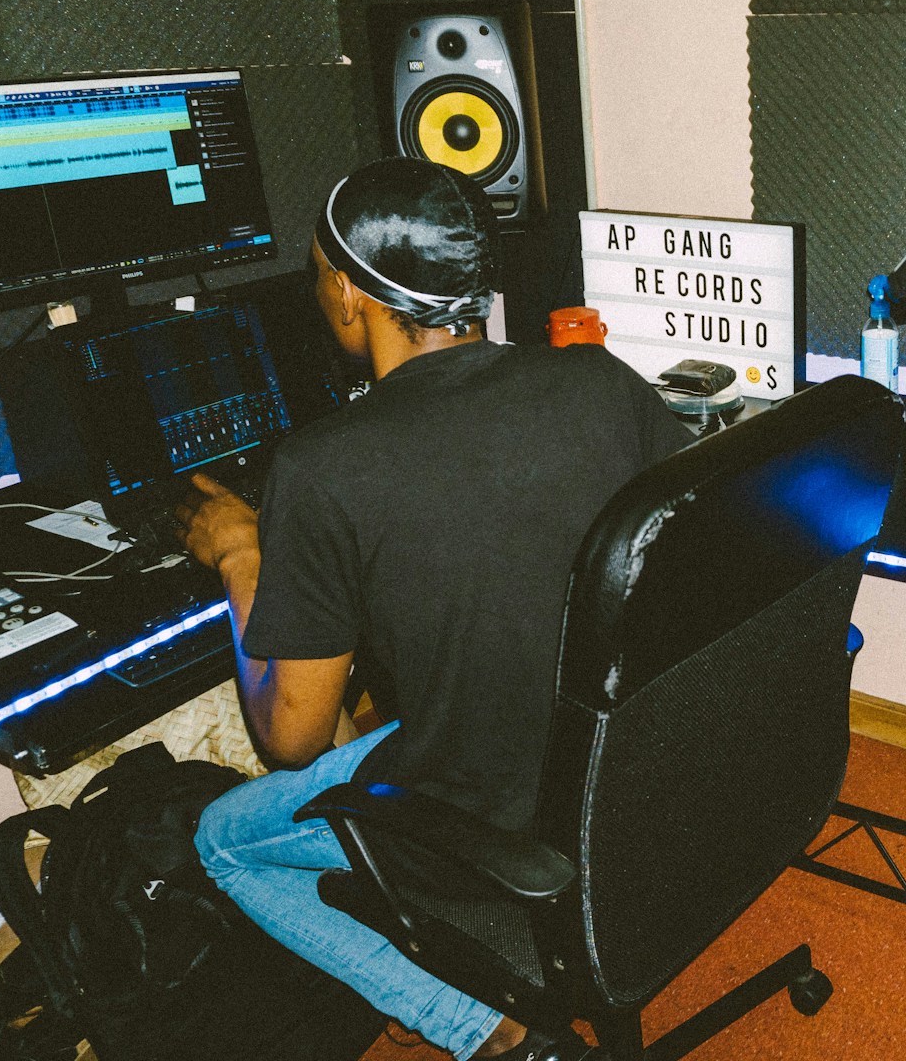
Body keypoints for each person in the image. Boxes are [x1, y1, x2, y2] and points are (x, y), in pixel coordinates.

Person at [178, 157, 690, 1060]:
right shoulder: (600, 382)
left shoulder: (323, 467)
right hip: (637, 770)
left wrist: (241, 555)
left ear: (346, 292)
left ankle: (483, 1033)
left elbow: (292, 739)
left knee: (223, 839)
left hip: (492, 814)